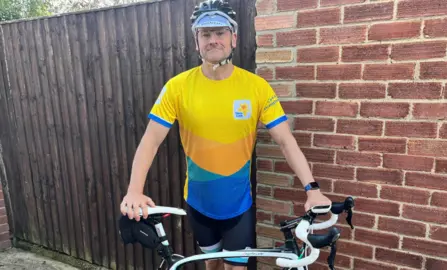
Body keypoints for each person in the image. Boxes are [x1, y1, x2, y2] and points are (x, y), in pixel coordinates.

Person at [119, 0, 332, 269]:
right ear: (196, 42)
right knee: (212, 265)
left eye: (220, 32)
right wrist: (134, 191)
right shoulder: (177, 87)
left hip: (238, 206)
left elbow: (285, 141)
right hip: (198, 202)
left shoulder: (256, 87)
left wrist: (312, 189)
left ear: (234, 38)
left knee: (235, 267)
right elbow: (150, 141)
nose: (213, 40)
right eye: (205, 34)